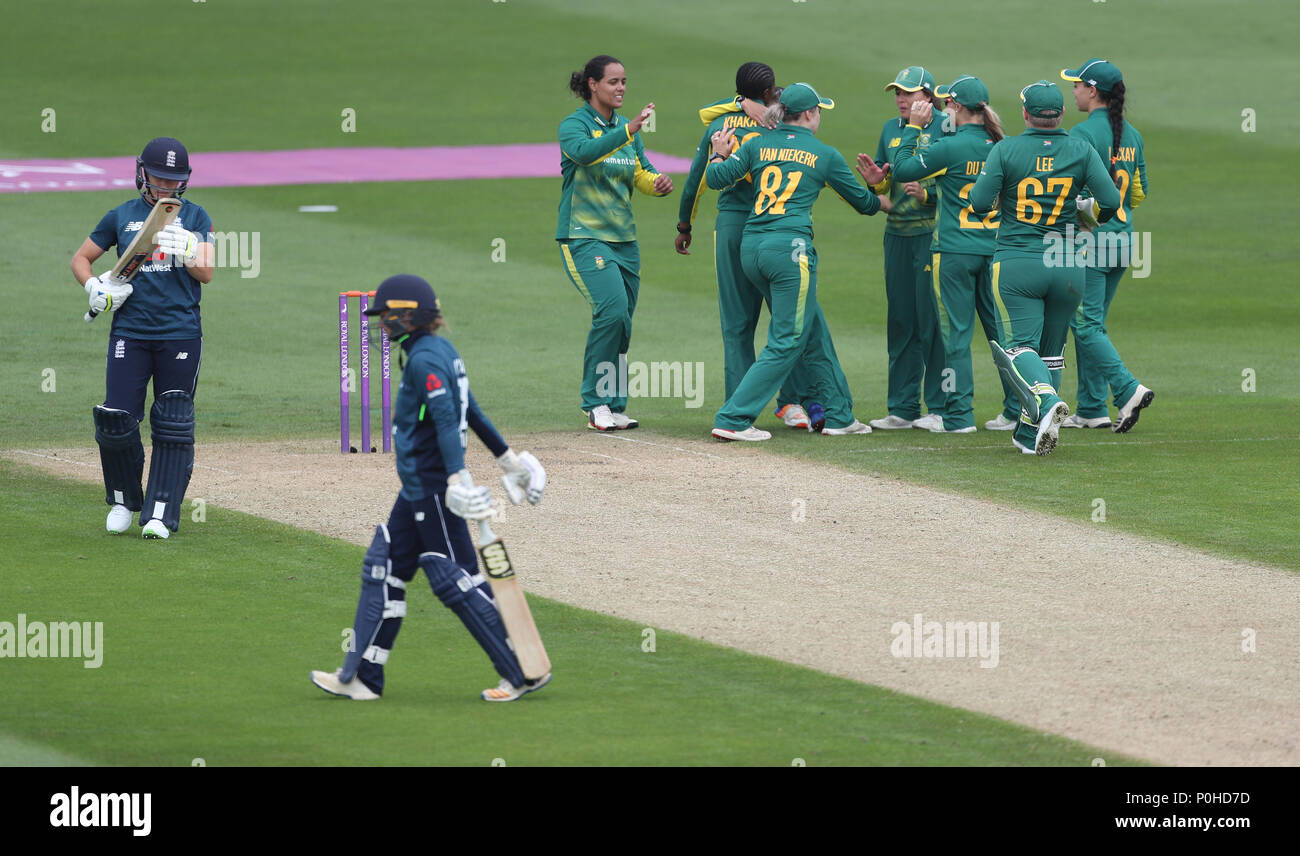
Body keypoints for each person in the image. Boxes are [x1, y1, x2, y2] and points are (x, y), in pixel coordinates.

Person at [311, 275, 551, 703]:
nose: (380, 324)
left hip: (434, 486)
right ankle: (364, 677)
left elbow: (446, 416)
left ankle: (521, 671)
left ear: (409, 314)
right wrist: (507, 460)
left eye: (386, 316)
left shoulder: (423, 359)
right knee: (386, 569)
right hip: (419, 487)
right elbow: (470, 409)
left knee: (452, 577)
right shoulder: (437, 351)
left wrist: (458, 478)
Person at [705, 83, 888, 441]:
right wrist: (877, 189)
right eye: (819, 111)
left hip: (752, 249)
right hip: (791, 253)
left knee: (812, 328)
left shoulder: (756, 143)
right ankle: (733, 417)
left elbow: (715, 179)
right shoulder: (824, 154)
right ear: (808, 114)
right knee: (787, 338)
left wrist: (718, 152)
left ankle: (839, 414)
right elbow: (865, 206)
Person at [70, 137, 215, 540]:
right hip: (130, 333)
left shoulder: (197, 217)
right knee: (116, 418)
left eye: (174, 180)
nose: (166, 188)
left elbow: (206, 273)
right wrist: (95, 287)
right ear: (141, 174)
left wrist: (190, 248)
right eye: (159, 178)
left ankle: (160, 513)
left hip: (181, 334)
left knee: (173, 422)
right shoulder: (122, 215)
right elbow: (81, 259)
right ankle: (123, 499)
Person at [968, 81, 1122, 455]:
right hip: (1067, 263)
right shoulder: (1081, 149)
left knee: (1018, 348)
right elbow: (1111, 200)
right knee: (1051, 351)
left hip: (1018, 261)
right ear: (1061, 115)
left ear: (1025, 114)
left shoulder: (1006, 150)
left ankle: (1046, 400)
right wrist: (1088, 217)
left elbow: (978, 203)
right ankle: (1028, 434)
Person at [676, 62, 826, 432]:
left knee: (738, 325)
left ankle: (737, 409)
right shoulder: (780, 123)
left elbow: (698, 179)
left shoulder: (719, 125)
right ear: (769, 91)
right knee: (789, 321)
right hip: (776, 228)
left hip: (731, 226)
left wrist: (685, 224)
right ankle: (792, 403)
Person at [886, 74, 1018, 433]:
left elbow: (902, 169)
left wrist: (913, 128)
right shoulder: (1001, 147)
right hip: (995, 253)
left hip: (954, 252)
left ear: (957, 107)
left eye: (948, 104)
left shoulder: (950, 147)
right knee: (1002, 337)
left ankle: (959, 417)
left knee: (956, 336)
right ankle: (1015, 411)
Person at [557, 54, 673, 432]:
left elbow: (640, 172)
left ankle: (612, 403)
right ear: (592, 84)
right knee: (610, 310)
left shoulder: (627, 129)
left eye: (624, 81)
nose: (621, 88)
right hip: (584, 236)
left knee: (622, 322)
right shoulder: (574, 126)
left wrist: (657, 185)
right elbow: (585, 154)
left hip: (624, 239)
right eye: (613, 82)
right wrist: (629, 130)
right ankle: (594, 404)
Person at [1060, 58, 1154, 433]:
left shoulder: (1081, 135)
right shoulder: (1132, 134)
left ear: (1093, 91)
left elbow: (1071, 193)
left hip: (1090, 243)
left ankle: (1128, 388)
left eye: (1078, 85)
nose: (1074, 90)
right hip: (1123, 241)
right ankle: (1092, 407)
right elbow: (1139, 194)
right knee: (1094, 325)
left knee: (1085, 325)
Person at [864, 66, 950, 432]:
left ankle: (942, 407)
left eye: (908, 92)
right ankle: (902, 407)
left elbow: (966, 185)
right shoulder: (889, 129)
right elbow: (888, 187)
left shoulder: (949, 127)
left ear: (927, 97)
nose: (901, 98)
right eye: (897, 92)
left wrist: (929, 194)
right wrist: (877, 185)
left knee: (932, 323)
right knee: (901, 321)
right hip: (896, 234)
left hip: (932, 237)